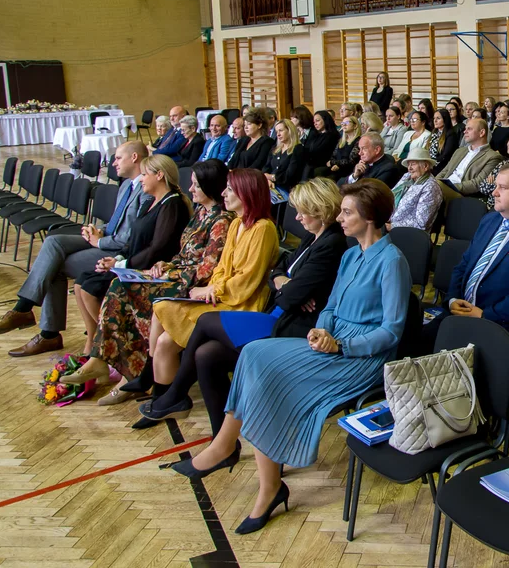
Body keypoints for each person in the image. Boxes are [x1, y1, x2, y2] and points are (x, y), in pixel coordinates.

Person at [161, 180, 411, 537]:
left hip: (360, 358)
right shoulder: (351, 253)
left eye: (347, 212)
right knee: (253, 354)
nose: (339, 217)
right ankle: (231, 451)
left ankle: (262, 482)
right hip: (332, 343)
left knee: (268, 373)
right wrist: (321, 330)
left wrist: (340, 345)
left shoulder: (391, 261)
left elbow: (392, 332)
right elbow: (331, 307)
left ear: (370, 218)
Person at [139, 179, 348, 434]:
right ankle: (222, 440)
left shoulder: (331, 243)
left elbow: (289, 297)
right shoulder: (313, 236)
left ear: (320, 211)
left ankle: (176, 394)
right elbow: (277, 271)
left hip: (294, 325)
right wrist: (284, 282)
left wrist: (287, 287)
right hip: (279, 313)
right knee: (206, 355)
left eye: (303, 212)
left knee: (205, 321)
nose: (298, 217)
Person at [70, 160, 232, 403]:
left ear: (209, 186)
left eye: (196, 185)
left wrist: (171, 272)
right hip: (176, 274)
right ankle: (104, 360)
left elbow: (206, 268)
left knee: (127, 293)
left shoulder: (221, 220)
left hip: (190, 285)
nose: (190, 189)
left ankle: (133, 372)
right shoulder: (201, 212)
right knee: (119, 286)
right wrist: (166, 265)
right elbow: (184, 253)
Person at [0, 141, 154, 357]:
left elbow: (132, 237)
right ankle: (24, 309)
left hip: (119, 251)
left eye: (118, 158)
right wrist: (95, 230)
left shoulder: (146, 188)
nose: (113, 163)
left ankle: (45, 331)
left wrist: (98, 242)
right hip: (106, 238)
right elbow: (115, 223)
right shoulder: (126, 185)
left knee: (53, 266)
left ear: (135, 158)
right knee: (53, 242)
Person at [144, 169, 280, 419]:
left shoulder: (263, 229)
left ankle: (167, 397)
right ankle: (163, 397)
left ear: (247, 193)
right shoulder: (237, 223)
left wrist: (212, 289)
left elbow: (247, 281)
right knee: (161, 317)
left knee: (164, 322)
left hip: (243, 304)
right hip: (222, 296)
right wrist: (211, 288)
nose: (223, 193)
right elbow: (220, 268)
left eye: (230, 189)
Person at [66, 155, 192, 380]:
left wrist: (121, 264)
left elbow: (158, 248)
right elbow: (135, 240)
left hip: (151, 269)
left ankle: (113, 352)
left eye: (145, 174)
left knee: (90, 287)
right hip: (132, 262)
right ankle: (97, 347)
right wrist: (118, 259)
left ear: (159, 175)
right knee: (81, 282)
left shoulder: (173, 205)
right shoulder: (149, 201)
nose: (141, 179)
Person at [426, 162, 509, 349]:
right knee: (417, 341)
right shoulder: (490, 219)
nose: (494, 192)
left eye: (503, 188)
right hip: (460, 312)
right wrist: (453, 299)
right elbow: (465, 264)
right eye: (496, 186)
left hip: (497, 325)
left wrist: (484, 314)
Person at [436, 118, 503, 200]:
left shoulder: (493, 157)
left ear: (482, 132)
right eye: (465, 129)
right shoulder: (459, 151)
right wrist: (435, 183)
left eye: (469, 129)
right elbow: (445, 171)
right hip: (442, 187)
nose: (465, 132)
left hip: (460, 194)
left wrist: (447, 187)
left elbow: (478, 183)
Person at [229, 108, 276, 172]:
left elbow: (258, 165)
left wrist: (239, 175)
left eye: (249, 124)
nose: (246, 127)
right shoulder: (243, 140)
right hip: (235, 176)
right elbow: (233, 160)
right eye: (245, 125)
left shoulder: (267, 142)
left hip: (250, 177)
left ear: (259, 125)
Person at [265, 119, 305, 192]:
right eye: (277, 131)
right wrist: (268, 180)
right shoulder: (275, 149)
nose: (278, 134)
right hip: (272, 187)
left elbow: (290, 175)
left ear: (289, 131)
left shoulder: (298, 149)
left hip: (289, 189)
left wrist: (272, 177)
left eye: (281, 130)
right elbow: (266, 167)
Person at [428, 109, 460, 173]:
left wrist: (431, 163)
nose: (435, 121)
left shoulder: (451, 134)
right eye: (434, 118)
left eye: (438, 118)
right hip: (430, 162)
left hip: (441, 166)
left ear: (445, 119)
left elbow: (446, 156)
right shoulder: (434, 132)